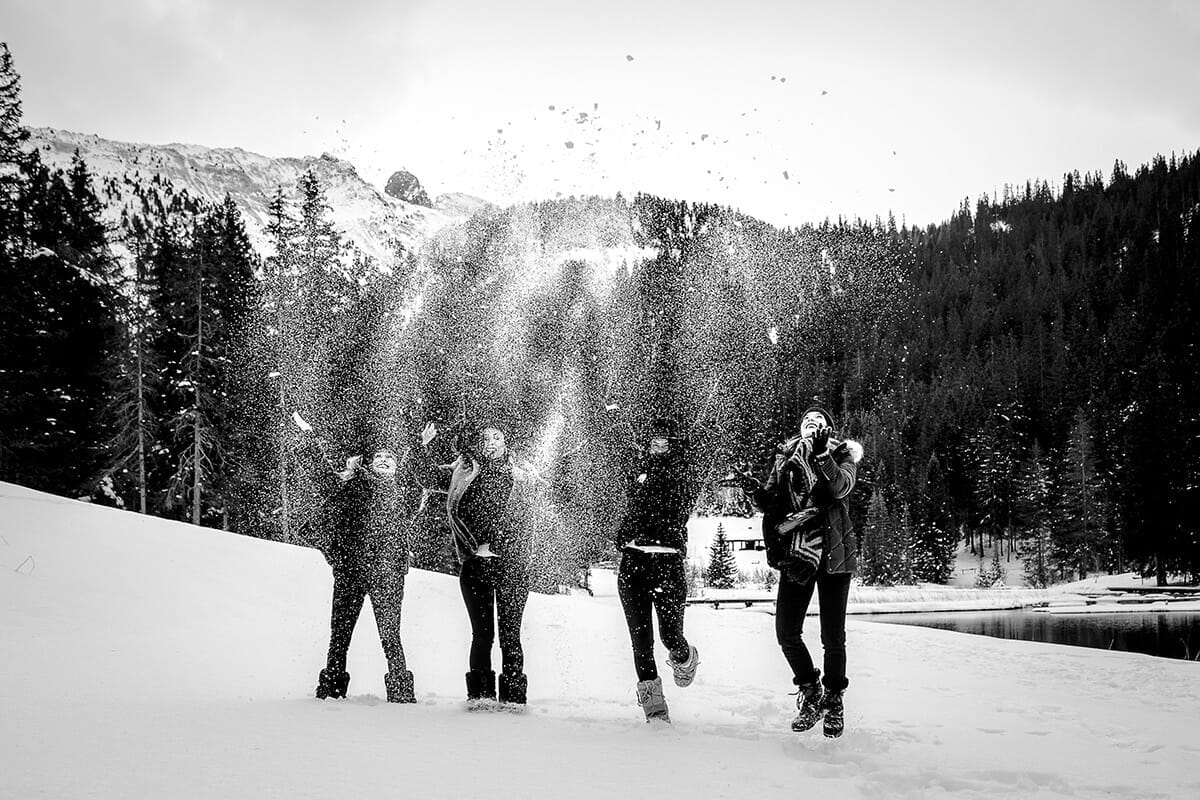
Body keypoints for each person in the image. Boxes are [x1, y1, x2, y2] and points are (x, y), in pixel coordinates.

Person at [741, 405, 862, 738]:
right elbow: (773, 502)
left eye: (819, 422)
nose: (812, 426)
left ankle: (834, 701)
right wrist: (754, 491)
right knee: (786, 632)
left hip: (834, 555)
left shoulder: (843, 454)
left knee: (832, 635)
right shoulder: (786, 458)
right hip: (798, 554)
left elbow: (839, 488)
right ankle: (811, 690)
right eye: (808, 421)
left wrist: (823, 455)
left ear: (829, 428)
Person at [301, 429, 420, 704]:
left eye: (390, 457)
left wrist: (416, 443)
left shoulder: (404, 495)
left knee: (391, 635)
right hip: (351, 573)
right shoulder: (353, 487)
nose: (384, 460)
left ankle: (401, 692)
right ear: (368, 462)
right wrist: (309, 441)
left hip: (388, 576)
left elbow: (419, 480)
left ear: (397, 465)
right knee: (339, 635)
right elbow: (323, 480)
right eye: (378, 456)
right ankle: (331, 690)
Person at [427, 421, 536, 711]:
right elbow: (427, 473)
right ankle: (480, 697)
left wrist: (504, 543)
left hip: (511, 565)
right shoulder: (464, 470)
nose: (490, 442)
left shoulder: (521, 471)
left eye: (496, 436)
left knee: (510, 634)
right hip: (475, 566)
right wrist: (426, 442)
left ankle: (514, 698)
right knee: (482, 634)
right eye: (485, 437)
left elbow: (537, 500)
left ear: (505, 441)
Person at [615, 417, 703, 723]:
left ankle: (684, 656)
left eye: (666, 442)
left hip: (667, 565)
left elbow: (675, 508)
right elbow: (631, 510)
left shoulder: (683, 475)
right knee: (641, 643)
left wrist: (650, 479)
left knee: (669, 637)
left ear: (674, 446)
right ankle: (655, 710)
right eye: (654, 441)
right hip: (633, 564)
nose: (659, 446)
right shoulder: (636, 471)